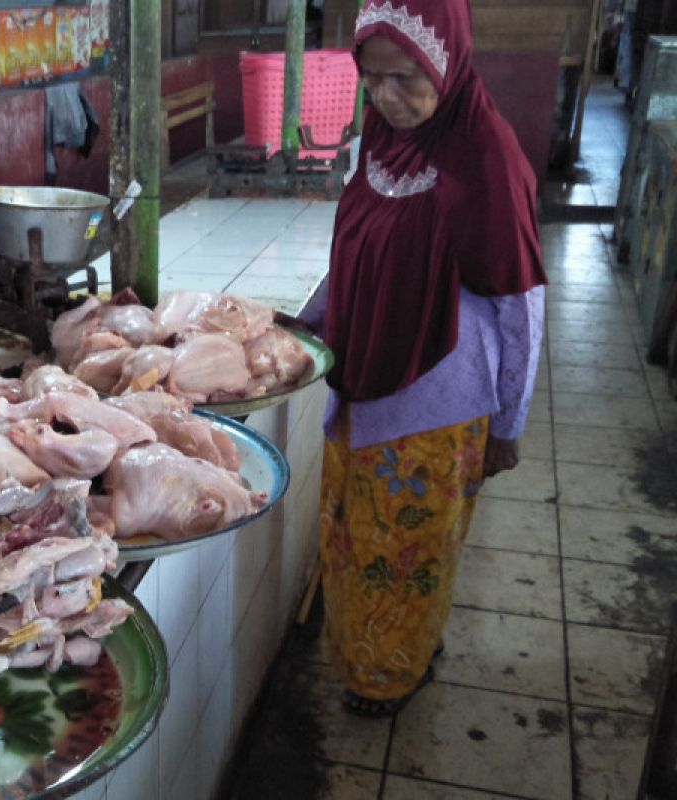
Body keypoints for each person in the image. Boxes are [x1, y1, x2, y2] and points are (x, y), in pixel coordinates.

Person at [297, 0, 548, 717]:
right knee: (356, 536)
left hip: (439, 401)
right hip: (364, 375)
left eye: (406, 77)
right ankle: (373, 654)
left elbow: (520, 303)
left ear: (446, 59)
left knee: (406, 554)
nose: (387, 98)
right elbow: (359, 245)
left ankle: (390, 676)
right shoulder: (380, 137)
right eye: (371, 79)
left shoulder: (486, 157)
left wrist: (509, 423)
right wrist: (307, 326)